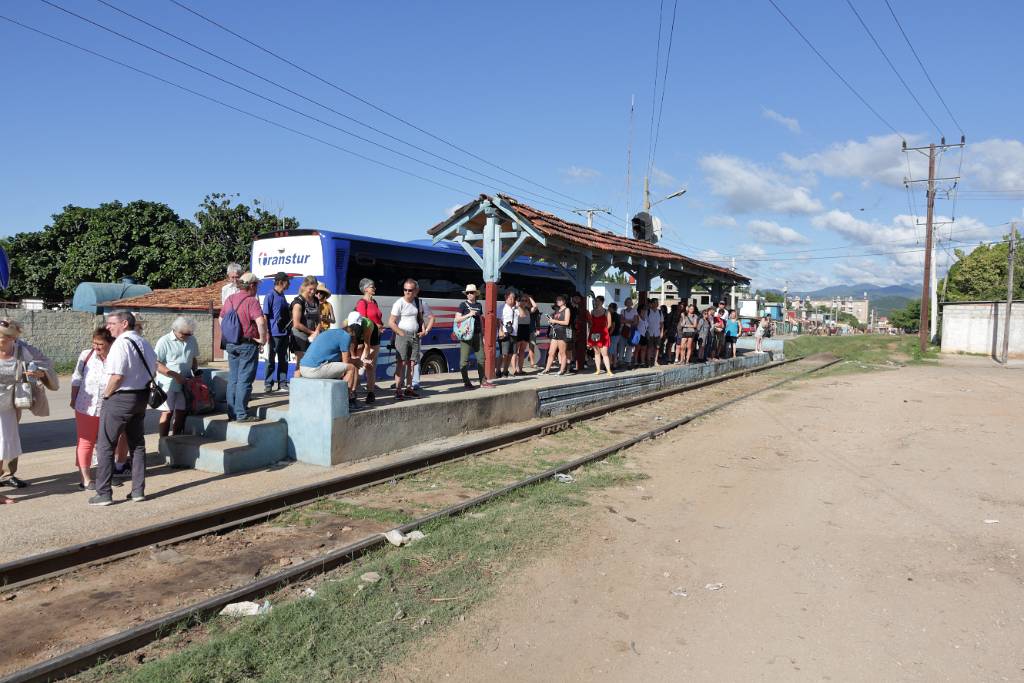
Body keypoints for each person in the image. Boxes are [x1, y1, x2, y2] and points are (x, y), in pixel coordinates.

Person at [89, 310, 156, 506]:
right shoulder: (143, 342)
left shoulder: (120, 344)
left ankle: (104, 493)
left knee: (105, 445)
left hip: (120, 398)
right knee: (137, 445)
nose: (108, 327)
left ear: (124, 323)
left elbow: (117, 376)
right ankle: (138, 491)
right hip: (140, 397)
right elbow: (153, 369)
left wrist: (106, 395)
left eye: (111, 323)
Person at [0, 319, 56, 499]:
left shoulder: (22, 349)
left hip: (10, 404)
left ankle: (7, 474)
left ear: (13, 338)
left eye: (5, 336)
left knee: (6, 443)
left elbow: (45, 363)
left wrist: (39, 372)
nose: (1, 339)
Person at [221, 273, 269, 423]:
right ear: (252, 285)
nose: (257, 289)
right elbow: (260, 322)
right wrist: (262, 339)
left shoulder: (229, 299)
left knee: (233, 379)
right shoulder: (251, 301)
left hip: (231, 343)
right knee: (245, 380)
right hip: (247, 344)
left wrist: (228, 335)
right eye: (257, 286)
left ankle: (232, 413)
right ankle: (242, 414)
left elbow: (221, 319)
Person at [71, 327, 115, 490]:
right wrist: (73, 398)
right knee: (85, 442)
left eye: (100, 344)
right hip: (85, 406)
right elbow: (76, 378)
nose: (96, 347)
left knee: (107, 443)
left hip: (108, 407)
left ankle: (106, 476)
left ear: (110, 343)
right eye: (94, 343)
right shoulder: (86, 355)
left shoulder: (116, 357)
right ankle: (85, 478)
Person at [299, 313, 364, 410]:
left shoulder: (335, 332)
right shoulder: (346, 336)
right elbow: (345, 363)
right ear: (356, 328)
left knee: (345, 368)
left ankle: (346, 398)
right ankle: (348, 401)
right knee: (351, 368)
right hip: (314, 369)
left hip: (304, 368)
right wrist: (357, 362)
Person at [388, 278, 434, 400]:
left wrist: (426, 331)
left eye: (410, 290)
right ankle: (398, 390)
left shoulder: (419, 302)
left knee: (412, 363)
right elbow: (391, 322)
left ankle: (409, 388)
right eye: (405, 290)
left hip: (415, 335)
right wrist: (400, 333)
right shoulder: (399, 303)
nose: (407, 292)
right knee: (401, 363)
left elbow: (431, 317)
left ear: (416, 291)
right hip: (403, 334)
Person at [154, 316, 200, 436]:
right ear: (175, 330)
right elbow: (156, 363)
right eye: (184, 334)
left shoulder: (191, 339)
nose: (187, 336)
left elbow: (193, 358)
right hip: (168, 384)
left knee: (181, 412)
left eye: (189, 334)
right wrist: (174, 375)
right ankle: (163, 441)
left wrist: (195, 373)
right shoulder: (164, 341)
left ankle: (176, 439)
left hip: (185, 383)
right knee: (167, 412)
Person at [454, 284, 493, 389]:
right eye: (468, 293)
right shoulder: (463, 305)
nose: (470, 294)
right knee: (464, 361)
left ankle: (482, 381)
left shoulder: (479, 305)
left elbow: (480, 319)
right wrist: (469, 314)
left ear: (476, 293)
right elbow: (457, 319)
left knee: (481, 358)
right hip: (466, 336)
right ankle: (466, 382)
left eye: (472, 292)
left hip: (477, 334)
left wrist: (483, 334)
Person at [354, 278, 383, 403]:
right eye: (372, 286)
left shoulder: (374, 302)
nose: (374, 288)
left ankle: (370, 393)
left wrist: (381, 325)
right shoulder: (362, 303)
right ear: (365, 289)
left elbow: (378, 318)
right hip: (365, 338)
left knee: (371, 366)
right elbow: (363, 320)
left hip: (375, 336)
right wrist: (376, 325)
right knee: (361, 366)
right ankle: (352, 391)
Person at [262, 272, 291, 394]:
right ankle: (268, 384)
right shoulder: (270, 295)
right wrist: (267, 332)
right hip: (274, 334)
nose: (289, 284)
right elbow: (265, 316)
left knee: (283, 359)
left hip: (284, 333)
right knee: (270, 360)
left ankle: (282, 383)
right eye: (287, 282)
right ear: (281, 282)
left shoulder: (282, 295)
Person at [289, 275, 321, 377]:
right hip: (299, 336)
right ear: (304, 286)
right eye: (310, 289)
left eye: (315, 289)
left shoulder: (316, 300)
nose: (313, 292)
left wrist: (317, 330)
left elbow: (319, 319)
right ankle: (296, 390)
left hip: (313, 335)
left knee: (311, 364)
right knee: (301, 363)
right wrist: (312, 332)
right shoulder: (298, 303)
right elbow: (296, 324)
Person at [541, 295, 571, 375]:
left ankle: (562, 370)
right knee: (551, 352)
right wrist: (551, 321)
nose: (558, 301)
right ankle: (547, 369)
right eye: (557, 300)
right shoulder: (557, 310)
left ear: (564, 301)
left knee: (562, 352)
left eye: (560, 300)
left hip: (562, 332)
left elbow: (566, 322)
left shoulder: (567, 310)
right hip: (555, 332)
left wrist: (554, 321)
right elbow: (555, 321)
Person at [587, 295, 614, 376]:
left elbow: (609, 324)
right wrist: (590, 333)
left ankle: (608, 370)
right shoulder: (592, 311)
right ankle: (598, 369)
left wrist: (603, 331)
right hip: (594, 333)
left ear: (602, 302)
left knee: (604, 353)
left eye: (598, 301)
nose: (596, 302)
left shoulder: (607, 312)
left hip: (603, 334)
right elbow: (591, 324)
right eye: (596, 300)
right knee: (596, 353)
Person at [514, 294, 537, 376]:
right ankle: (515, 370)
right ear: (519, 301)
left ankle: (520, 369)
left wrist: (530, 298)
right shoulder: (516, 309)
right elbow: (521, 315)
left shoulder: (527, 310)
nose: (524, 302)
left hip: (526, 329)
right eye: (522, 300)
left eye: (525, 301)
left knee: (522, 351)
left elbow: (535, 306)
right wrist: (518, 304)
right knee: (515, 351)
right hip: (518, 329)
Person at [498, 290, 518, 378]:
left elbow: (522, 315)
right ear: (505, 297)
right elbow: (498, 320)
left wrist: (518, 306)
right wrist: (500, 330)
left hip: (514, 333)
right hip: (505, 332)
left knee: (510, 354)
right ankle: (498, 371)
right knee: (504, 354)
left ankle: (505, 371)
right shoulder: (501, 307)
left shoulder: (516, 308)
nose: (511, 299)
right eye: (510, 298)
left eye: (513, 298)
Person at [619, 298, 638, 368]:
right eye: (627, 302)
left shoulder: (634, 311)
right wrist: (630, 321)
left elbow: (636, 322)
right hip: (623, 330)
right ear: (625, 303)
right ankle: (620, 361)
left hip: (632, 330)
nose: (629, 303)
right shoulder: (622, 311)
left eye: (630, 302)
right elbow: (621, 321)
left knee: (630, 346)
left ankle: (628, 361)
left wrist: (626, 320)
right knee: (621, 346)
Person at [644, 299, 663, 368]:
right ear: (652, 304)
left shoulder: (660, 312)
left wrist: (662, 332)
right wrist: (646, 332)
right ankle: (648, 361)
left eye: (657, 303)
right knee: (649, 348)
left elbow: (661, 323)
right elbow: (645, 323)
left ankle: (655, 361)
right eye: (655, 303)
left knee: (657, 348)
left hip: (657, 332)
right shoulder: (648, 312)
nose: (657, 304)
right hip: (650, 332)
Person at [572, 292, 588, 372]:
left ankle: (581, 362)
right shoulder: (570, 307)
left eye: (579, 298)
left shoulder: (581, 307)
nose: (578, 299)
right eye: (576, 298)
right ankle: (573, 362)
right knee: (571, 346)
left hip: (580, 330)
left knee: (580, 346)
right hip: (571, 329)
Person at [607, 302, 622, 370]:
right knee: (614, 351)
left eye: (609, 307)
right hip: (617, 335)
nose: (608, 309)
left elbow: (613, 326)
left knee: (610, 351)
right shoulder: (617, 315)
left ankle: (610, 365)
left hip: (613, 335)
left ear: (612, 308)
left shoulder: (613, 315)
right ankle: (615, 364)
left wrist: (609, 334)